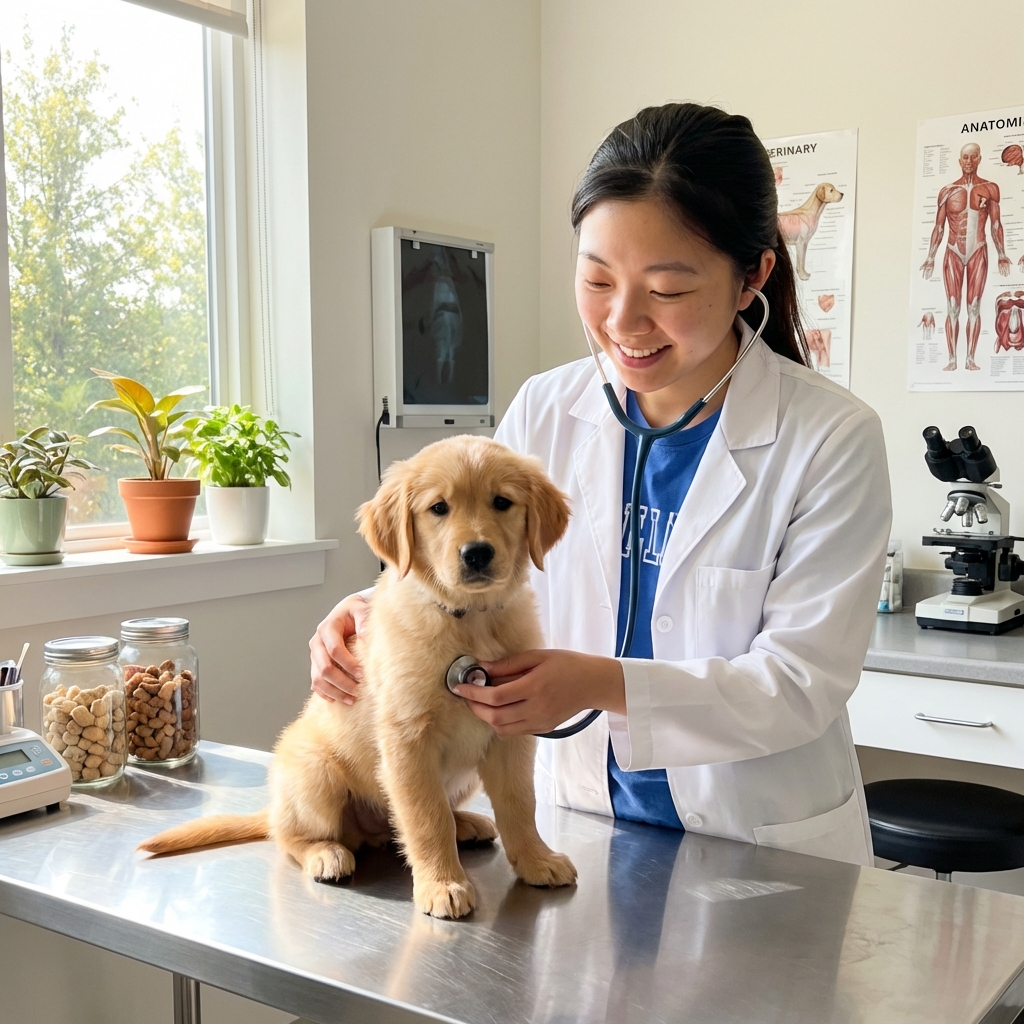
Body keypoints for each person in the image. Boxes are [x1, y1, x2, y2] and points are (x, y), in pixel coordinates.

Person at [311, 103, 892, 865]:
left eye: (668, 289)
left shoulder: (830, 438)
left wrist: (598, 683)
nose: (624, 321)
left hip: (752, 841)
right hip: (575, 815)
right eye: (597, 279)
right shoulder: (549, 408)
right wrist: (366, 613)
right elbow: (476, 564)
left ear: (753, 275)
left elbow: (798, 684)